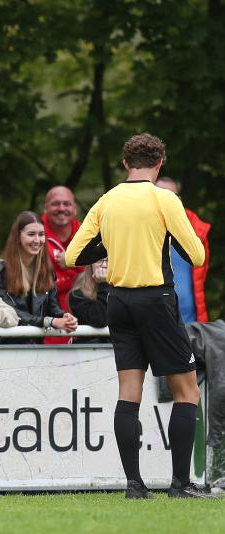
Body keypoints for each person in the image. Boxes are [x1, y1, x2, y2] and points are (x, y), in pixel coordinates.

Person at [66, 132, 213, 499]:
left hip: (118, 302)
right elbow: (196, 256)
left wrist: (109, 244)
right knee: (187, 391)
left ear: (125, 164)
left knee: (128, 391)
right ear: (160, 163)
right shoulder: (165, 199)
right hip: (156, 300)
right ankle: (180, 484)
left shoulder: (107, 200)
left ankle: (134, 485)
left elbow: (73, 256)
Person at [0, 211, 78, 343]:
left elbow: (53, 308)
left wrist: (65, 316)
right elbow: (9, 312)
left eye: (41, 234)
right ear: (17, 237)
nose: (37, 240)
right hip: (5, 347)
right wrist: (49, 321)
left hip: (36, 347)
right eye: (31, 234)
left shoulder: (47, 270)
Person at [155, 177, 211, 324]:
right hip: (154, 321)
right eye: (161, 196)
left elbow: (201, 275)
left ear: (179, 199)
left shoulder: (196, 230)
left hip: (191, 321)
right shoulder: (142, 229)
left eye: (172, 196)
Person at [42, 186, 84, 313]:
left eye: (66, 204)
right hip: (45, 312)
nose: (61, 208)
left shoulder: (87, 234)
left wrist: (74, 261)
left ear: (75, 209)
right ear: (45, 208)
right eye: (55, 204)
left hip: (83, 311)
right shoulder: (34, 235)